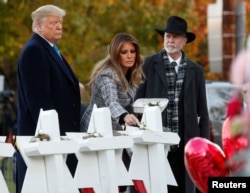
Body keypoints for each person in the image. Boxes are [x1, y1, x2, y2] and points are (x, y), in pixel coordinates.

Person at [135, 15, 210, 193]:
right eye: (167, 36)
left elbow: (203, 110)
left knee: (185, 188)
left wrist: (203, 146)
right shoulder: (147, 64)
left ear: (184, 41)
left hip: (186, 143)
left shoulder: (196, 70)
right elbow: (137, 104)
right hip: (157, 142)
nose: (170, 40)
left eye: (175, 36)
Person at [16, 5, 81, 193]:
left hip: (58, 137)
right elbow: (40, 101)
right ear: (38, 27)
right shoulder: (34, 51)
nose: (59, 27)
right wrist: (53, 136)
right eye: (53, 23)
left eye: (60, 23)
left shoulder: (49, 48)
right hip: (45, 139)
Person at [80, 33, 144, 192]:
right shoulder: (107, 75)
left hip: (114, 131)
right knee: (98, 180)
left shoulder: (132, 74)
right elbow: (112, 102)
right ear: (116, 53)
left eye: (132, 51)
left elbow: (132, 102)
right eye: (124, 52)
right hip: (95, 130)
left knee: (121, 178)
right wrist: (124, 116)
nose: (129, 56)